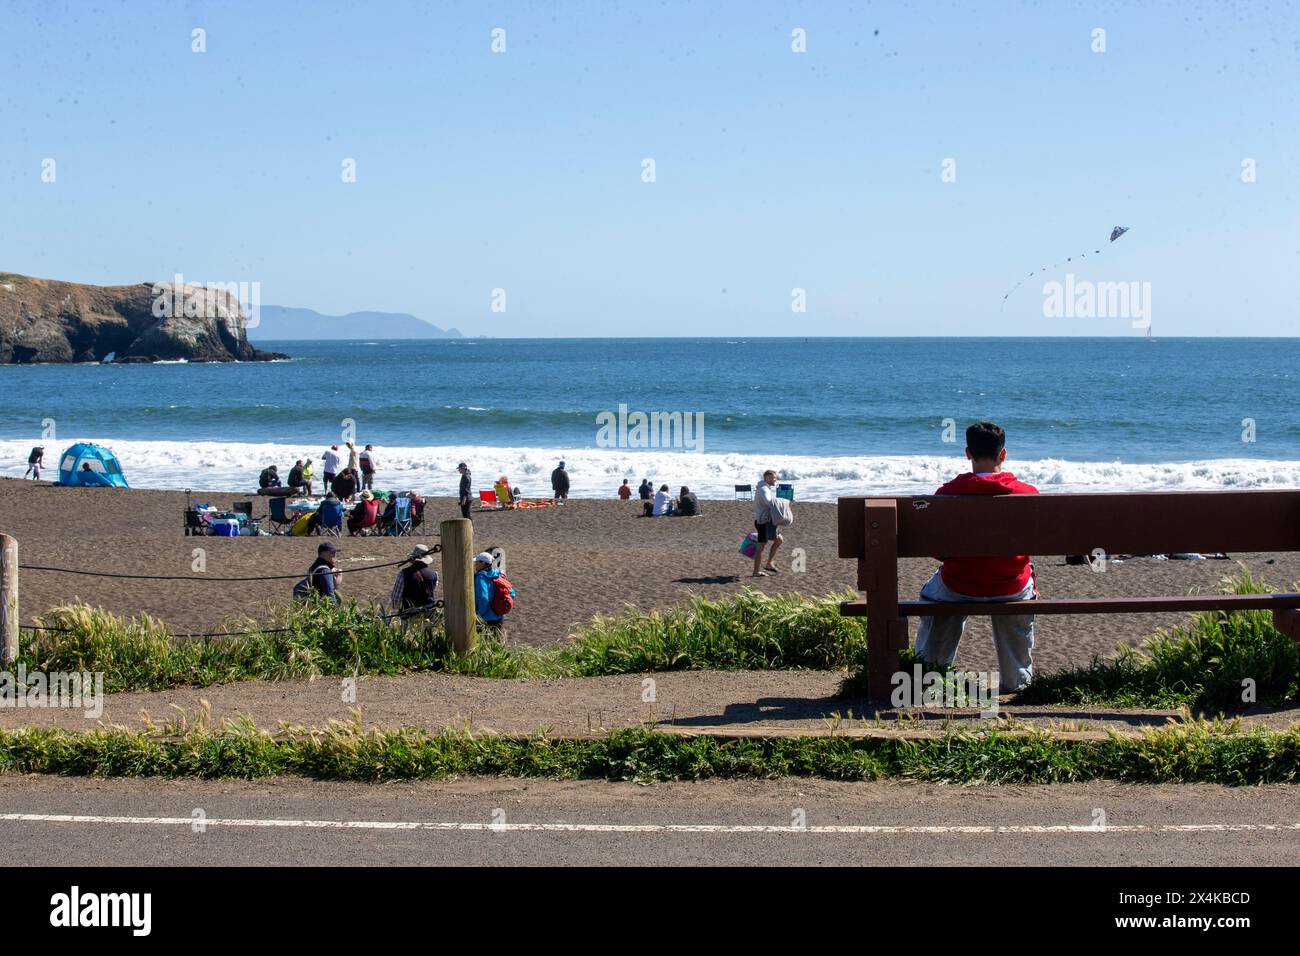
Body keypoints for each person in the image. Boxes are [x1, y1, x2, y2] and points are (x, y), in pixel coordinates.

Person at [913, 421, 1040, 694]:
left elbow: (937, 550)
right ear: (1002, 454)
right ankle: (1018, 680)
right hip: (1010, 585)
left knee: (934, 594)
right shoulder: (1027, 495)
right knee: (1022, 579)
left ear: (967, 453)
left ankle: (928, 674)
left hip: (960, 584)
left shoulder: (946, 494)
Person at [391, 544, 439, 623]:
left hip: (409, 615)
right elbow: (431, 591)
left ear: (413, 558)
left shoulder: (403, 573)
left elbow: (395, 601)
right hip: (429, 615)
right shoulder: (435, 574)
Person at [474, 551, 514, 634]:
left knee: (483, 643)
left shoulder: (481, 577)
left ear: (483, 563)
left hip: (485, 619)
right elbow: (512, 593)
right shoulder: (499, 574)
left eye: (477, 562)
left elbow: (483, 598)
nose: (475, 565)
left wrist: (479, 615)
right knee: (496, 641)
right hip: (499, 617)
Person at [752, 470, 782, 576]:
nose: (775, 479)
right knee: (761, 546)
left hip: (764, 521)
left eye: (775, 477)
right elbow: (769, 502)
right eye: (773, 478)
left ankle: (769, 563)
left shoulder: (763, 488)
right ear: (767, 478)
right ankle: (756, 571)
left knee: (779, 540)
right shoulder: (764, 489)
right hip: (763, 522)